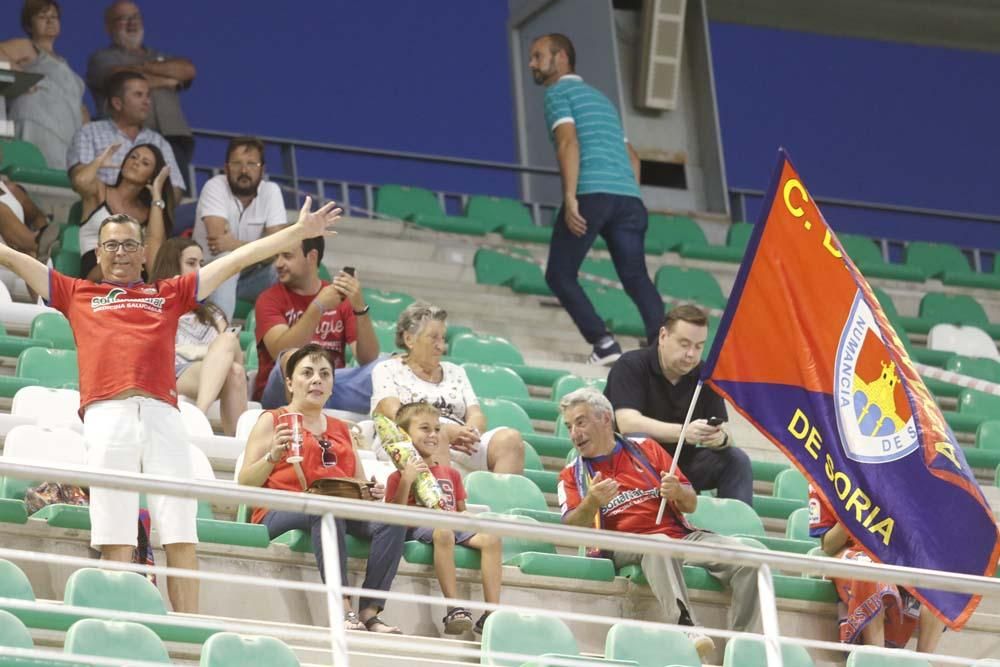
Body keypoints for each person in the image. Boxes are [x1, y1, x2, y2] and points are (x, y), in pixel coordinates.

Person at [0, 193, 342, 614]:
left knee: (181, 533)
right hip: (108, 413)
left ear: (144, 254)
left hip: (164, 414)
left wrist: (295, 232)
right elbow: (13, 258)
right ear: (99, 252)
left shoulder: (168, 293)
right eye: (110, 245)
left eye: (129, 245)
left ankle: (190, 637)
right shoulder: (76, 292)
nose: (120, 253)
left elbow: (234, 261)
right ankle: (118, 628)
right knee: (116, 534)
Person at [557, 387, 761, 661]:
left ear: (605, 418)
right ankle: (686, 627)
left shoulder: (646, 448)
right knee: (658, 544)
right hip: (622, 543)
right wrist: (592, 501)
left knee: (749, 559)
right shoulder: (573, 474)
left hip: (680, 536)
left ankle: (743, 647)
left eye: (580, 422)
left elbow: (691, 504)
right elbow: (570, 525)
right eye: (569, 426)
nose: (574, 433)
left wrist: (678, 492)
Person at [239, 344, 405, 635]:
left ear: (331, 385)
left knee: (392, 518)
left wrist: (371, 491)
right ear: (290, 383)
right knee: (325, 508)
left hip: (335, 507)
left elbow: (357, 483)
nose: (317, 379)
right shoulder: (271, 419)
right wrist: (272, 457)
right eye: (307, 373)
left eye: (324, 374)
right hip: (279, 509)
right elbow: (245, 481)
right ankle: (342, 606)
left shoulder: (342, 428)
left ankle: (370, 611)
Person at [528, 33, 662, 365]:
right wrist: (631, 193)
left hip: (592, 193)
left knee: (559, 274)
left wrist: (571, 197)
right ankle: (662, 354)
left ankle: (604, 345)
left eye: (537, 56)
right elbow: (633, 157)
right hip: (629, 199)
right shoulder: (602, 100)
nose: (532, 63)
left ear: (560, 59)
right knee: (636, 277)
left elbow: (568, 144)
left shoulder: (558, 93)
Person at [605, 305, 752, 506]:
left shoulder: (704, 375)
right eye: (684, 344)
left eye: (699, 346)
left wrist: (719, 437)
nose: (691, 354)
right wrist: (684, 432)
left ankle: (736, 533)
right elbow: (628, 423)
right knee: (638, 440)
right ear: (663, 336)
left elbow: (725, 430)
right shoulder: (631, 365)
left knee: (736, 460)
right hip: (631, 465)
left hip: (682, 466)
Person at [386, 402, 502, 635]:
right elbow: (392, 516)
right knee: (444, 531)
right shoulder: (397, 475)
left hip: (450, 521)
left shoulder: (451, 473)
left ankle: (491, 613)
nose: (433, 435)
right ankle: (453, 608)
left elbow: (460, 509)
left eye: (437, 429)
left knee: (491, 539)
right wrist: (407, 480)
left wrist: (467, 516)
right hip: (420, 526)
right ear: (405, 435)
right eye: (425, 428)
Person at [370, 301, 525, 475]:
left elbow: (476, 414)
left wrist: (469, 433)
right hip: (408, 440)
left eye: (443, 338)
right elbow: (398, 415)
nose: (441, 345)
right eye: (433, 337)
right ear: (409, 339)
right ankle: (442, 500)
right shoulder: (387, 369)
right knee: (435, 435)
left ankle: (502, 502)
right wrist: (445, 431)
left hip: (460, 441)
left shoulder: (456, 371)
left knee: (511, 440)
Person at [809, 484, 945, 652]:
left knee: (942, 578)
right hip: (851, 555)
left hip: (894, 554)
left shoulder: (893, 471)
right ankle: (877, 657)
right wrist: (854, 511)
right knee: (869, 569)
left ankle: (925, 661)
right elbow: (829, 546)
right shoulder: (827, 474)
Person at [255, 235, 379, 414]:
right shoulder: (269, 299)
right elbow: (279, 351)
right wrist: (317, 307)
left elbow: (367, 358)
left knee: (384, 366)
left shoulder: (339, 298)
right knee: (291, 356)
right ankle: (306, 425)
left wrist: (360, 307)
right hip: (283, 389)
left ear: (312, 257)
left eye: (287, 256)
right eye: (277, 256)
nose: (278, 263)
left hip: (332, 387)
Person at [87, 0, 196, 181]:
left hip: (173, 138)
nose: (132, 23)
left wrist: (142, 69)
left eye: (136, 17)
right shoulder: (102, 58)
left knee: (174, 197)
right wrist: (166, 79)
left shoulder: (159, 54)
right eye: (123, 18)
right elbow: (117, 76)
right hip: (128, 139)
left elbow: (188, 70)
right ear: (108, 27)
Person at [149, 238, 247, 437]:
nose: (199, 270)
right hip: (174, 373)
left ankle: (222, 435)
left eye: (201, 264)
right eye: (191, 263)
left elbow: (232, 355)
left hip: (217, 370)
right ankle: (206, 422)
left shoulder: (213, 313)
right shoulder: (155, 305)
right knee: (230, 359)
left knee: (234, 367)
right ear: (172, 265)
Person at [193, 136, 285, 320]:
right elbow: (217, 242)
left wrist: (233, 243)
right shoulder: (215, 186)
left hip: (251, 275)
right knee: (227, 260)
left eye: (252, 164)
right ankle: (218, 333)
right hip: (211, 276)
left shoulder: (271, 191)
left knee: (285, 267)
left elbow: (278, 248)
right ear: (226, 167)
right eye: (237, 164)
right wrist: (263, 247)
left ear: (262, 170)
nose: (244, 170)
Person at [67, 70, 185, 201]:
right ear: (117, 103)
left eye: (148, 95)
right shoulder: (89, 133)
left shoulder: (159, 142)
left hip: (147, 217)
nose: (147, 102)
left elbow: (175, 188)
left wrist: (151, 210)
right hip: (100, 213)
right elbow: (79, 180)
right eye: (138, 95)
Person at [0, 0, 88, 170]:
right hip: (35, 125)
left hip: (66, 136)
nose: (50, 21)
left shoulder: (65, 64)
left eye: (54, 17)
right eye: (42, 16)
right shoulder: (29, 47)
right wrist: (20, 73)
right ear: (29, 25)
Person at [72, 141, 172, 280]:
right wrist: (100, 161)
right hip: (96, 273)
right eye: (133, 157)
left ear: (151, 176)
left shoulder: (148, 212)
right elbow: (80, 181)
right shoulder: (100, 192)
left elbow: (154, 250)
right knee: (127, 249)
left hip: (134, 276)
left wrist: (156, 193)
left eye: (145, 163)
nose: (136, 163)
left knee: (145, 250)